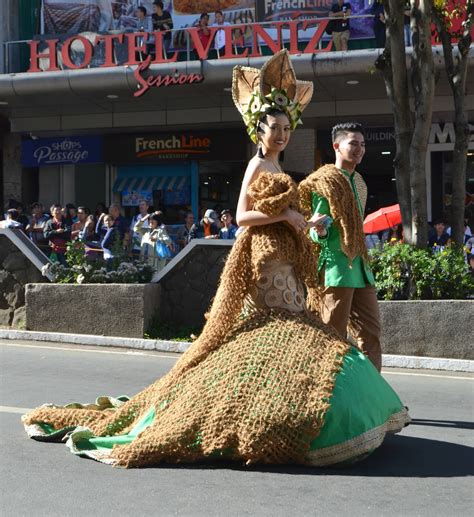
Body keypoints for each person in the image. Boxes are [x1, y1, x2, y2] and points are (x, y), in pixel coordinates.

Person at [22, 50, 409, 469]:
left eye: (285, 128)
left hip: (285, 258)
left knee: (292, 343)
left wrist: (301, 224)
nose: (280, 135)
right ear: (259, 132)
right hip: (265, 260)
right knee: (269, 340)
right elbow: (243, 216)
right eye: (273, 129)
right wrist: (287, 215)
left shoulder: (281, 163)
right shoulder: (258, 163)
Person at [299, 122, 382, 372]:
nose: (360, 149)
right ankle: (326, 398)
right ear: (337, 146)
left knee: (371, 335)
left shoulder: (360, 183)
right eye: (353, 143)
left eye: (363, 144)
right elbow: (312, 228)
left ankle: (374, 399)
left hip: (361, 269)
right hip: (335, 270)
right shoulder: (321, 182)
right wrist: (320, 232)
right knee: (332, 338)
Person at [134, 211, 174, 279]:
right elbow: (136, 228)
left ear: (157, 221)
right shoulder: (145, 230)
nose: (151, 221)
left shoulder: (160, 231)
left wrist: (157, 239)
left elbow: (168, 241)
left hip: (155, 262)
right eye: (150, 220)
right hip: (144, 261)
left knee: (154, 280)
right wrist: (145, 218)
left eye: (153, 219)